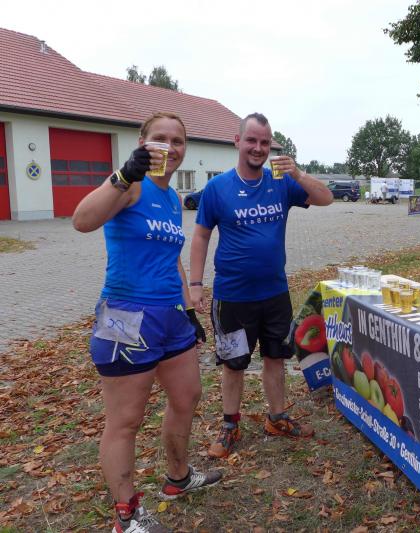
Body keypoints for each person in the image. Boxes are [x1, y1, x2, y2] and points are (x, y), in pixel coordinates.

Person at [72, 112, 220, 533]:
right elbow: (82, 220)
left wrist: (188, 310)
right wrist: (122, 175)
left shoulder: (172, 198)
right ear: (143, 142)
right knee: (126, 420)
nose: (170, 147)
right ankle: (126, 516)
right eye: (161, 138)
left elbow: (171, 258)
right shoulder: (131, 185)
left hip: (170, 317)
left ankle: (177, 477)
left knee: (187, 396)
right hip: (124, 317)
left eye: (178, 140)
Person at [189, 113, 333, 459]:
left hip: (274, 293)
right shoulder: (217, 188)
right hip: (232, 296)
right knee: (233, 363)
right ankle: (230, 425)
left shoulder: (281, 183)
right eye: (252, 140)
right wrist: (195, 284)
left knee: (275, 357)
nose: (258, 148)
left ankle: (277, 418)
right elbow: (201, 236)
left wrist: (298, 174)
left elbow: (326, 198)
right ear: (237, 141)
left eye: (265, 142)